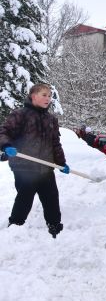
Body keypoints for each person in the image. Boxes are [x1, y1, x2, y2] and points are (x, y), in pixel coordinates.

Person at [0, 83, 70, 238]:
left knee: (51, 197)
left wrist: (61, 163)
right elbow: (4, 132)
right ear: (33, 96)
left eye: (50, 95)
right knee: (25, 195)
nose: (48, 98)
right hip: (23, 165)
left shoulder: (51, 119)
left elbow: (55, 144)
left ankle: (55, 227)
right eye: (44, 95)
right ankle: (15, 227)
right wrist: (6, 146)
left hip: (45, 167)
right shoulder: (20, 115)